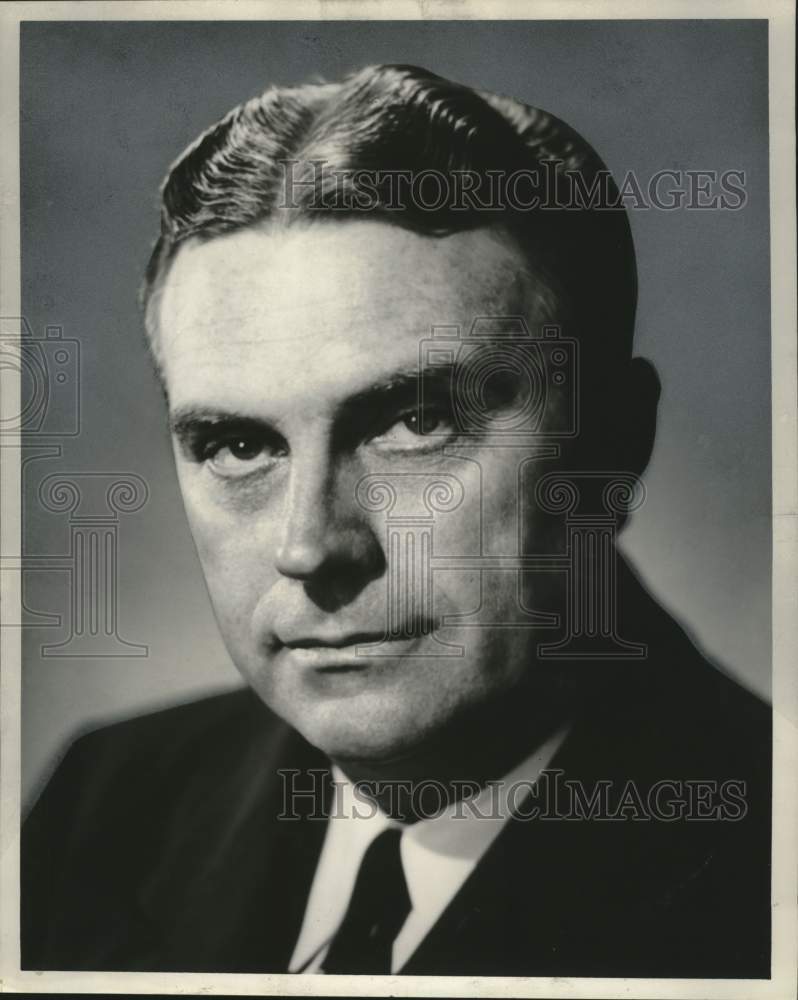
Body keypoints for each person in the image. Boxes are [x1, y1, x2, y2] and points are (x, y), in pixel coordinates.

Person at [21, 64, 771, 978]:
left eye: (414, 424)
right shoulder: (108, 807)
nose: (311, 546)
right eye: (237, 445)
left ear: (612, 444)